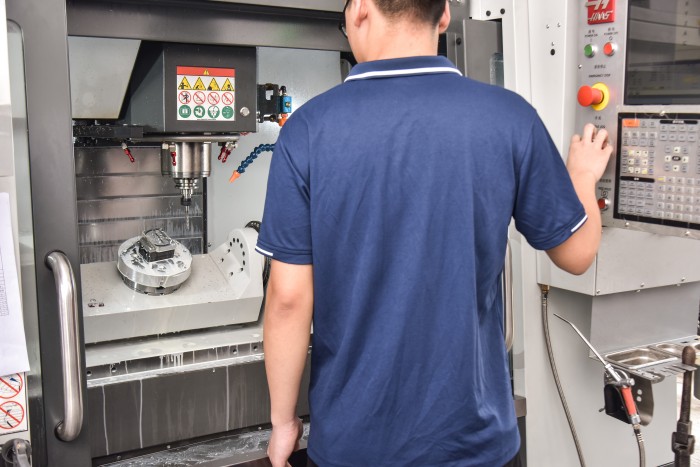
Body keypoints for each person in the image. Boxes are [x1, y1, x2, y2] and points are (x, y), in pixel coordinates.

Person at [256, 0, 612, 465]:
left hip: (354, 445)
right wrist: (582, 177)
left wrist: (283, 423)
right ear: (444, 15)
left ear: (359, 10)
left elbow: (287, 298)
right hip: (474, 443)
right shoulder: (509, 117)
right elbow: (577, 253)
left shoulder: (307, 129)